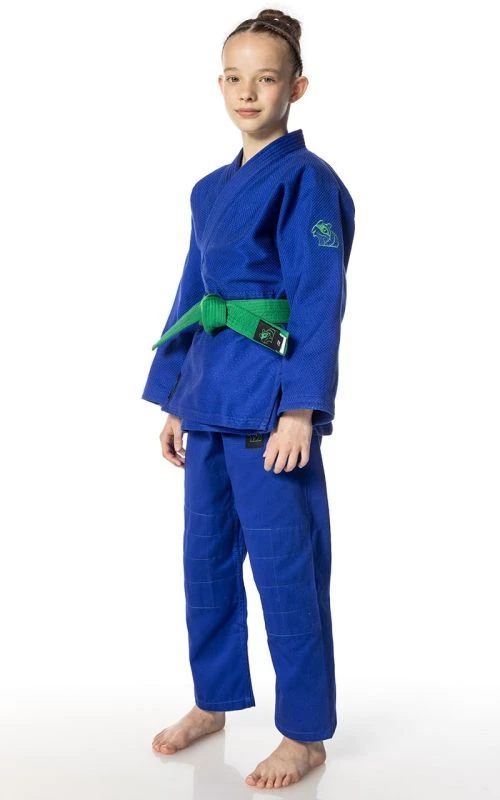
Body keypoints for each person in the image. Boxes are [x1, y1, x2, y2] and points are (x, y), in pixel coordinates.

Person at [142, 8, 355, 790]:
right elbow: (193, 293)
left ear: (297, 87)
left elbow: (319, 297)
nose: (248, 92)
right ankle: (214, 699)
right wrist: (175, 397)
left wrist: (301, 407)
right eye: (235, 77)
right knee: (204, 560)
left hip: (270, 406)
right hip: (209, 398)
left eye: (266, 78)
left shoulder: (309, 182)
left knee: (286, 569)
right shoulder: (208, 190)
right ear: (220, 83)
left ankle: (304, 733)